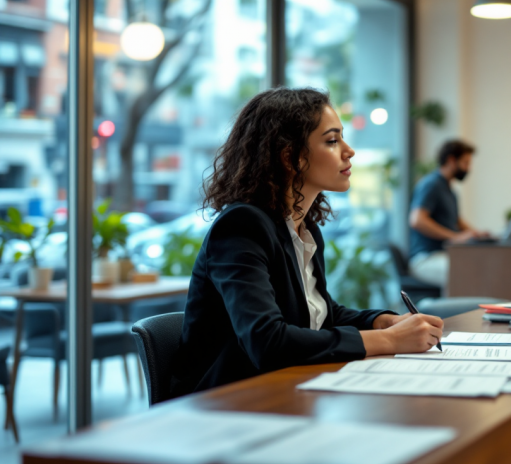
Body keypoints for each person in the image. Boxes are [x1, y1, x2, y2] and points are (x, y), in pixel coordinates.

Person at [169, 88, 443, 398]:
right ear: (291, 157)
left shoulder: (303, 228)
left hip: (285, 390)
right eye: (332, 140)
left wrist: (382, 321)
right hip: (224, 403)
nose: (349, 150)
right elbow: (266, 342)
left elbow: (320, 313)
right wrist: (390, 341)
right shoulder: (241, 227)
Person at [408, 140, 487, 287]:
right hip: (426, 258)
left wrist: (475, 233)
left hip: (444, 255)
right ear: (451, 160)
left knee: (481, 267)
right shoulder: (431, 185)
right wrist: (455, 237)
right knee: (464, 272)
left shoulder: (449, 190)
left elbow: (456, 220)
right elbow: (417, 220)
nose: (469, 168)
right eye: (466, 163)